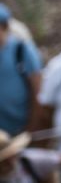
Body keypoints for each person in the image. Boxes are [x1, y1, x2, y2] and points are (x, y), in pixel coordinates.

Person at [0, 8, 40, 141]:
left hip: (19, 132)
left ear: (4, 27)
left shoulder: (21, 50)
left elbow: (37, 91)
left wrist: (30, 131)